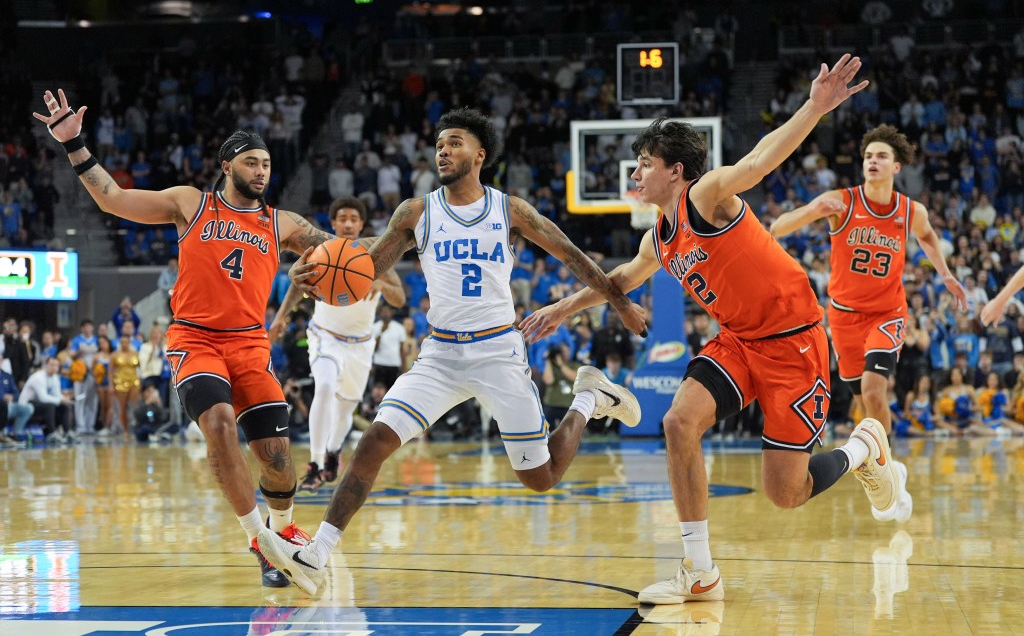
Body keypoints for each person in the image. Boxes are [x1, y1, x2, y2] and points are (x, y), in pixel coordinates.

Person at [520, 55, 898, 604]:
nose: (635, 174)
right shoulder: (660, 236)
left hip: (794, 343)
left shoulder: (708, 196)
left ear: (676, 170)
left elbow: (760, 160)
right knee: (678, 423)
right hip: (740, 343)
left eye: (645, 163)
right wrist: (561, 309)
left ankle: (864, 448)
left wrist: (815, 106)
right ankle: (700, 572)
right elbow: (621, 278)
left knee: (786, 493)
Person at [256, 106, 648, 595]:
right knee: (375, 440)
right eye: (440, 144)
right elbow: (364, 274)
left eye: (455, 142)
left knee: (541, 478)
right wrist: (315, 281)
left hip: (497, 353)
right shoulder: (415, 212)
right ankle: (317, 553)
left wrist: (621, 302)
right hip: (439, 356)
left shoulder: (510, 210)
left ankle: (588, 397)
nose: (443, 150)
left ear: (479, 155)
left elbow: (572, 255)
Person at [34, 88, 345, 588]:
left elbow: (343, 254)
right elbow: (112, 200)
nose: (261, 170)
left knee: (279, 462)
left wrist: (409, 235)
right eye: (251, 161)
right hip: (195, 339)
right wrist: (74, 144)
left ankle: (283, 526)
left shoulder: (281, 222)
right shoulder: (190, 204)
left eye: (266, 162)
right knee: (219, 424)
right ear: (228, 165)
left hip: (250, 344)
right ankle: (260, 542)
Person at [769, 124, 968, 523]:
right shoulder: (841, 202)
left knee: (875, 391)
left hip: (888, 313)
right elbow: (777, 228)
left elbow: (928, 237)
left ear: (896, 165)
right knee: (862, 401)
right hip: (843, 317)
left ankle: (888, 472)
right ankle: (891, 470)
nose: (872, 162)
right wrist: (813, 211)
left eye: (880, 156)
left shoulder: (911, 211)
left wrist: (944, 273)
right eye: (867, 156)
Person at [269, 196, 406, 493]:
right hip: (325, 335)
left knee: (345, 410)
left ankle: (332, 452)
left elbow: (400, 299)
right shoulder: (320, 251)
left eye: (353, 219)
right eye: (341, 218)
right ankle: (315, 464)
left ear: (360, 224)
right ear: (332, 223)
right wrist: (281, 316)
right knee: (326, 386)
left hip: (360, 344)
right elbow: (298, 283)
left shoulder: (374, 253)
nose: (347, 223)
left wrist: (379, 283)